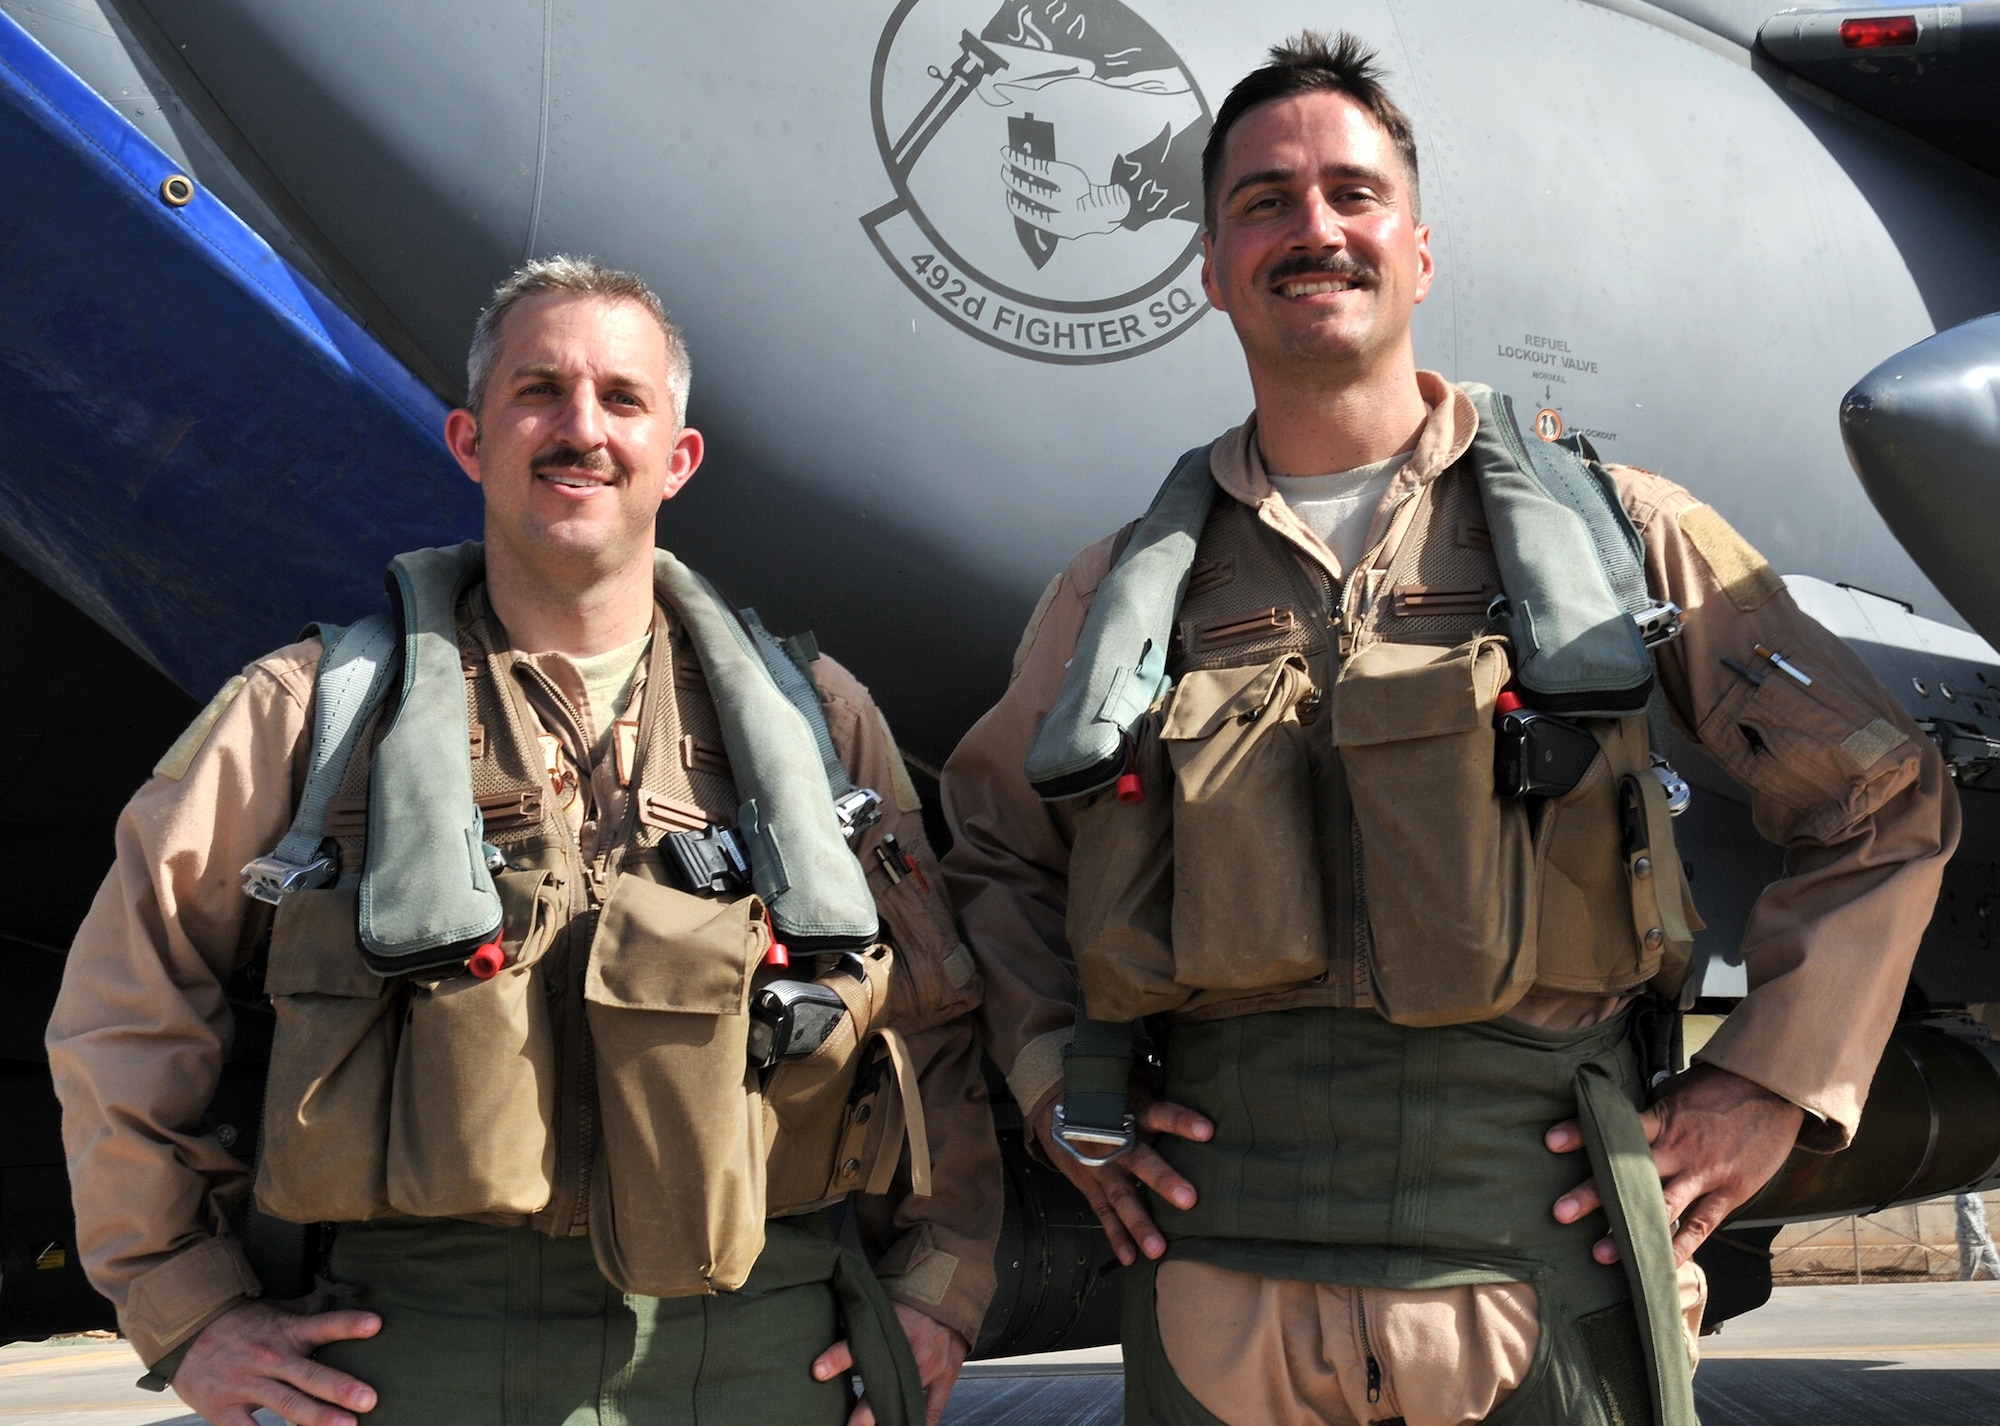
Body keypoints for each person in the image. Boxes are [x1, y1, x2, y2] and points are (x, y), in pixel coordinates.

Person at [940, 31, 1956, 1426]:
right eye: (1265, 202)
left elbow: (1884, 792)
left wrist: (1772, 1081)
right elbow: (992, 851)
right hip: (1223, 1272)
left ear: (1419, 250)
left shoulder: (1622, 536)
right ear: (1214, 271)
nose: (1315, 230)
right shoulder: (1124, 588)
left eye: (1352, 195)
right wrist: (1057, 1078)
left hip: (1539, 1252)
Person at [47, 258, 999, 1426]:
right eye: (537, 391)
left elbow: (932, 1018)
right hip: (410, 1354)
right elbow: (124, 1008)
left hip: (761, 1342)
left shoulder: (812, 719)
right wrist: (189, 1309)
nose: (580, 429)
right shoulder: (313, 714)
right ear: (469, 438)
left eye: (621, 398)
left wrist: (939, 1290)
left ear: (678, 456)